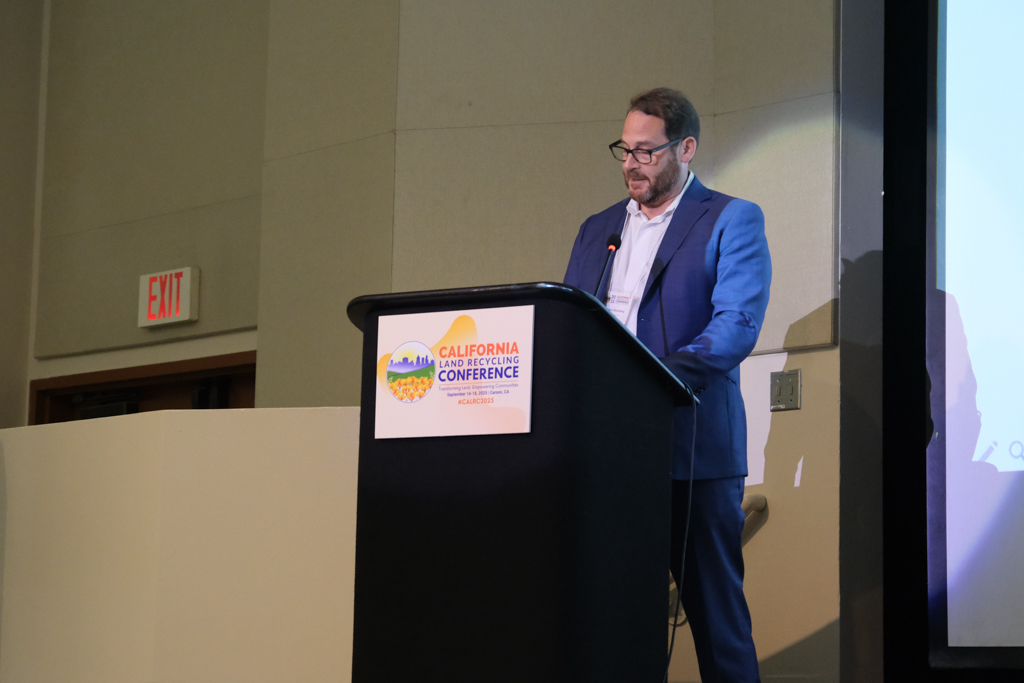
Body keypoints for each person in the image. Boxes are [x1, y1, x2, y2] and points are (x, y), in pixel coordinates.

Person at [563, 87, 771, 683]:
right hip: (610, 453)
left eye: (646, 151)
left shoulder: (730, 218)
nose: (631, 163)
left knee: (716, 619)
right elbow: (572, 325)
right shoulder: (597, 229)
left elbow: (735, 326)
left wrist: (652, 379)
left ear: (686, 148)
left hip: (694, 447)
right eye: (624, 150)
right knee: (619, 619)